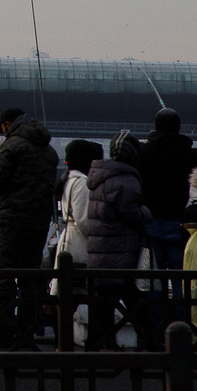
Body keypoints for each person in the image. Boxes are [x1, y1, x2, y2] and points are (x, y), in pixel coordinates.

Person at [0, 108, 57, 349]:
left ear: (7, 124)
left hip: (13, 220)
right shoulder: (48, 150)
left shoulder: (11, 146)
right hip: (38, 222)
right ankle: (27, 335)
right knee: (31, 279)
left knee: (5, 276)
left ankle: (2, 333)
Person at [83, 133, 153, 351]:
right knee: (134, 298)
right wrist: (146, 212)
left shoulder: (99, 178)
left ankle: (97, 344)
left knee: (105, 300)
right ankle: (148, 342)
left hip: (101, 249)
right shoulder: (126, 179)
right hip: (121, 249)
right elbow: (130, 212)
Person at [137, 110, 197, 320]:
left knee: (151, 279)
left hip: (149, 227)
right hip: (181, 226)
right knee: (182, 279)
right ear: (178, 126)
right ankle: (182, 327)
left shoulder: (143, 153)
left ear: (156, 126)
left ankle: (155, 330)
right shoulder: (190, 155)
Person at [52, 138, 102, 351]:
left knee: (66, 297)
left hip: (68, 241)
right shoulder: (81, 182)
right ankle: (89, 342)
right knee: (83, 294)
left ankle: (62, 341)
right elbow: (83, 220)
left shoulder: (68, 179)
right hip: (78, 246)